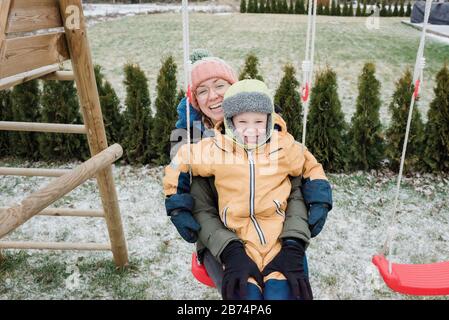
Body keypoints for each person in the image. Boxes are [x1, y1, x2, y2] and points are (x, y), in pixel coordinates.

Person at [165, 79, 333, 300]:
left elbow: (309, 165)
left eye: (259, 121)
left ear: (269, 120)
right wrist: (176, 201)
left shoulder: (283, 146)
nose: (251, 129)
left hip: (277, 238)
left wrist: (320, 198)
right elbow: (180, 160)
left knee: (283, 293)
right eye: (242, 121)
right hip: (238, 239)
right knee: (245, 295)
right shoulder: (216, 148)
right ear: (230, 121)